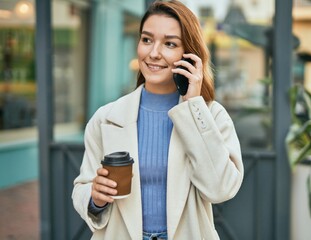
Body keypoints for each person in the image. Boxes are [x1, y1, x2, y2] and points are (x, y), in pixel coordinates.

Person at [72, 1, 244, 239]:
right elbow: (82, 188)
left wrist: (193, 106)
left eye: (170, 43)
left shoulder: (212, 115)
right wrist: (95, 198)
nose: (153, 53)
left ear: (189, 55)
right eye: (146, 39)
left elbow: (221, 189)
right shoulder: (105, 118)